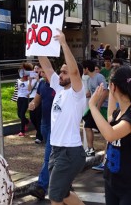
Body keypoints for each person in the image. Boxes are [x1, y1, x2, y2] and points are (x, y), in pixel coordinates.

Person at [87, 66, 131, 204]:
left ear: (113, 86)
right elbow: (110, 120)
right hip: (112, 180)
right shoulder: (119, 113)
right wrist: (111, 90)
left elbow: (110, 134)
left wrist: (92, 106)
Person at [38, 29, 87, 205]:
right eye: (62, 71)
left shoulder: (77, 93)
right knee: (63, 193)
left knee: (54, 196)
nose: (61, 74)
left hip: (70, 151)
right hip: (56, 150)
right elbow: (47, 67)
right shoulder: (59, 88)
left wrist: (64, 44)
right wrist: (37, 45)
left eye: (65, 72)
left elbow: (74, 72)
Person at [28, 65, 57, 200]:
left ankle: (41, 186)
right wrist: (33, 104)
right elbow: (37, 99)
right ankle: (64, 182)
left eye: (43, 70)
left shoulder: (58, 85)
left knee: (48, 156)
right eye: (40, 70)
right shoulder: (41, 84)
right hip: (44, 124)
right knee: (55, 155)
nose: (40, 72)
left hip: (56, 126)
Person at [81, 59, 108, 158]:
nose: (82, 70)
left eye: (83, 68)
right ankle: (90, 149)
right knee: (87, 126)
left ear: (87, 69)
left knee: (105, 130)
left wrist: (98, 106)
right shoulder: (88, 80)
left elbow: (105, 91)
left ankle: (107, 152)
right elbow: (90, 94)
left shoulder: (99, 77)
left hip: (103, 107)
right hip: (93, 108)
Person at [15, 62, 37, 137]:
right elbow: (16, 90)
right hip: (19, 99)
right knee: (19, 114)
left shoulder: (30, 80)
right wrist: (15, 98)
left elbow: (31, 88)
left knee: (22, 114)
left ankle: (22, 131)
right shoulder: (18, 81)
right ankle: (27, 121)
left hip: (26, 99)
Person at [29, 64, 43, 143]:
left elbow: (41, 88)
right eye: (34, 68)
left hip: (38, 99)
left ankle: (39, 136)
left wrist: (38, 79)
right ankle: (39, 131)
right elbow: (29, 89)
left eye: (37, 68)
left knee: (38, 117)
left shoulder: (41, 80)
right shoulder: (32, 79)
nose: (36, 70)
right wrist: (30, 80)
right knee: (32, 117)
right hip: (31, 98)